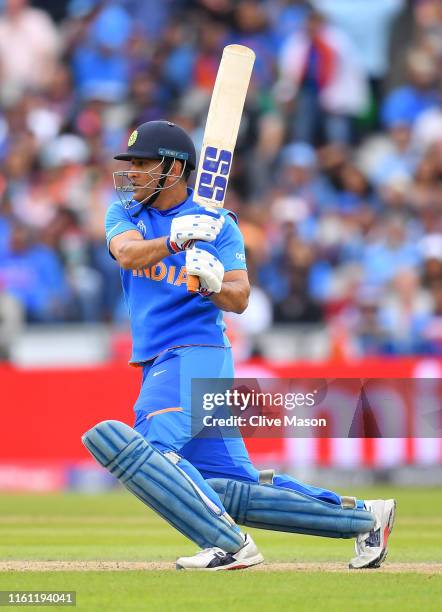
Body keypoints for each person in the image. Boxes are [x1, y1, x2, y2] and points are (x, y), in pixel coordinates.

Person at [82, 120, 395, 570]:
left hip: (195, 353)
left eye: (141, 163)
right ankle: (366, 519)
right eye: (129, 164)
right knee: (234, 486)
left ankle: (230, 544)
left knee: (152, 448)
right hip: (160, 361)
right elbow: (128, 254)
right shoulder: (127, 214)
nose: (130, 172)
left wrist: (211, 285)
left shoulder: (220, 225)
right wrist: (175, 239)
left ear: (172, 169)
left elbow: (241, 297)